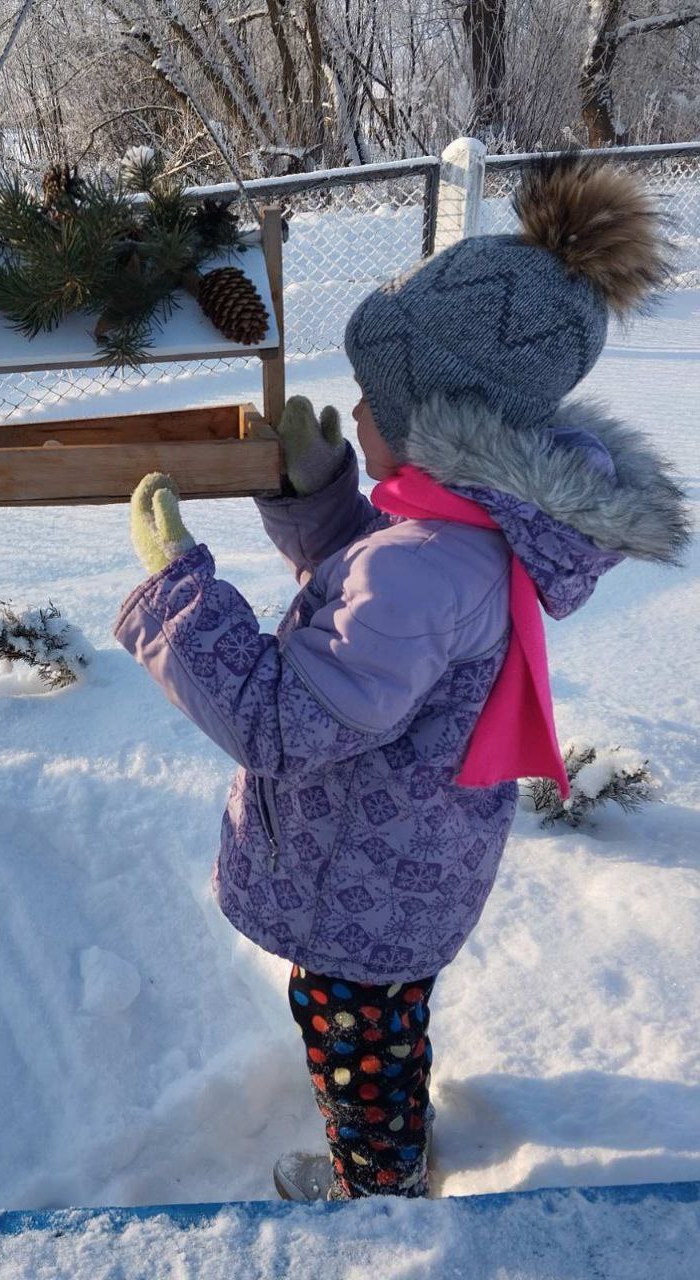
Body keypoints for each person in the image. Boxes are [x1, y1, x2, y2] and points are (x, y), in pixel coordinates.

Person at [113, 154, 690, 1201]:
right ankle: (390, 1144)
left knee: (355, 1040)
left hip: (360, 877)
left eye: (374, 399)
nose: (356, 409)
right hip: (403, 863)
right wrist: (321, 500)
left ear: (437, 418)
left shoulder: (428, 562)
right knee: (378, 1027)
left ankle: (379, 1200)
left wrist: (177, 593)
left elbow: (285, 721)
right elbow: (374, 606)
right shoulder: (456, 532)